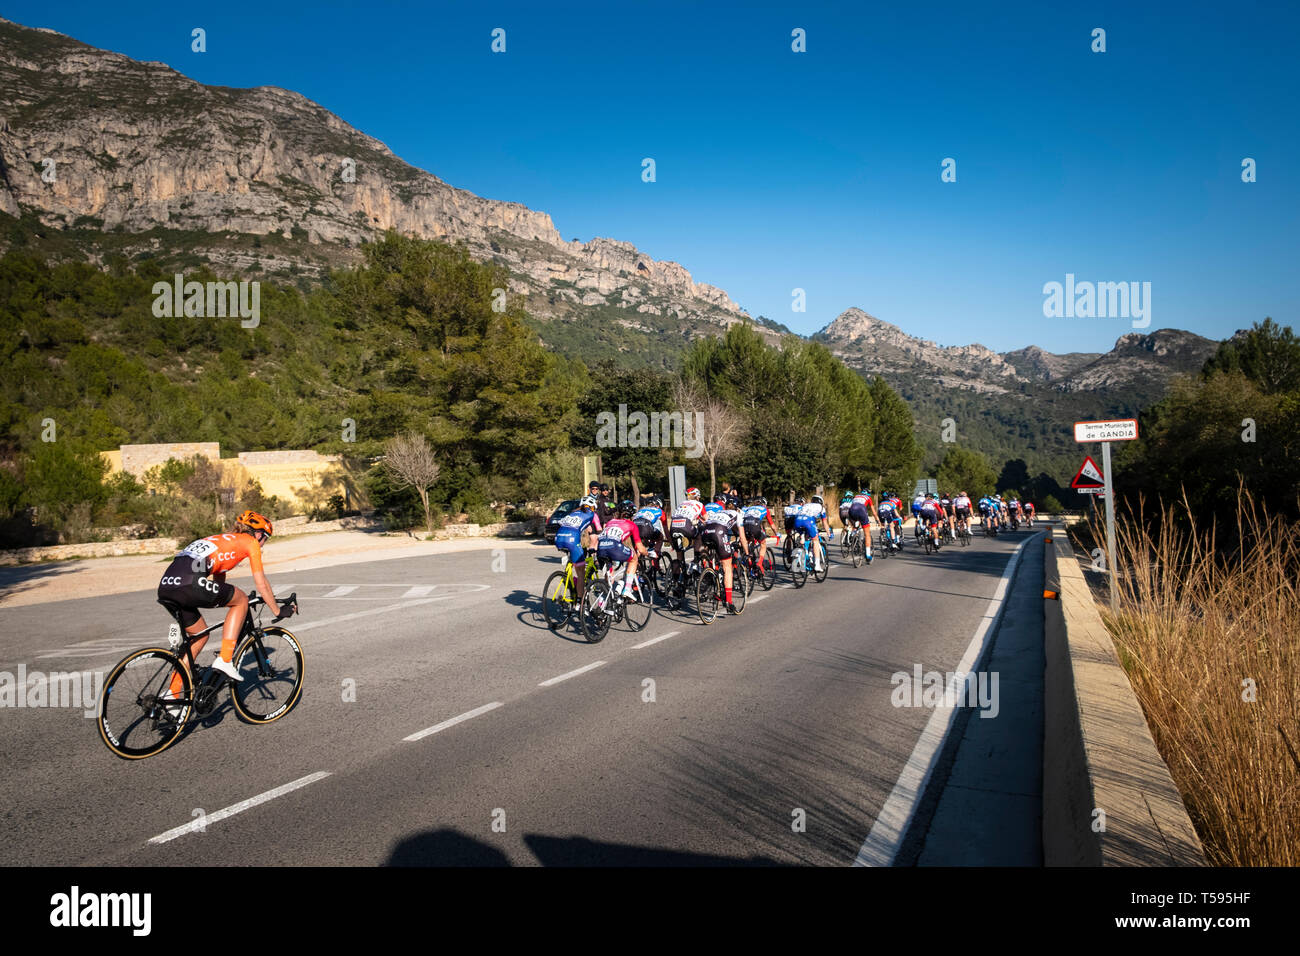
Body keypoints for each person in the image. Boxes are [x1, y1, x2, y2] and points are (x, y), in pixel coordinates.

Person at [157, 510, 294, 706]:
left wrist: (231, 608)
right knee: (241, 600)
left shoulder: (221, 539)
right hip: (190, 583)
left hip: (167, 586)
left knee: (199, 636)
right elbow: (261, 582)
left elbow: (218, 579)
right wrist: (278, 611)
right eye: (265, 538)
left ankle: (171, 694)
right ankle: (225, 659)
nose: (263, 544)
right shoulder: (250, 543)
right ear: (257, 533)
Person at [701, 492, 748, 614]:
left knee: (713, 555)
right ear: (739, 508)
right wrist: (747, 553)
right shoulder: (738, 514)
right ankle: (729, 601)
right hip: (718, 532)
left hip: (706, 532)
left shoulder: (719, 512)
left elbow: (731, 528)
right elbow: (742, 537)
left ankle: (709, 575)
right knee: (727, 566)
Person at [553, 495, 603, 606]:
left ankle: (571, 582)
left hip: (558, 538)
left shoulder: (572, 512)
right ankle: (580, 604)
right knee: (581, 573)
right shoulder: (591, 514)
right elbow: (598, 529)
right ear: (592, 507)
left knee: (574, 563)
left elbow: (560, 522)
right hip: (571, 540)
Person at [597, 501, 649, 601]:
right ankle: (627, 589)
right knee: (634, 558)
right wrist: (647, 553)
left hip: (601, 547)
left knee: (609, 578)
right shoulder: (632, 524)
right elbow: (640, 547)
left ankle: (603, 603)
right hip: (614, 547)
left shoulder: (610, 521)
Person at [848, 488, 874, 561]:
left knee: (855, 525)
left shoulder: (856, 496)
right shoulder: (868, 497)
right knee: (867, 534)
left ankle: (853, 535)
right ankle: (868, 555)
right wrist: (877, 519)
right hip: (861, 510)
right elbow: (873, 511)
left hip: (851, 510)